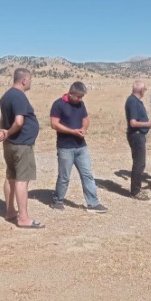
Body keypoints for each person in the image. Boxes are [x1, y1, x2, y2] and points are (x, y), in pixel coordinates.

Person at [0, 68, 45, 229]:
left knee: (11, 177)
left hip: (10, 144)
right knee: (22, 180)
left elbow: (4, 118)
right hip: (21, 145)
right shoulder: (19, 96)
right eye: (30, 79)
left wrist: (3, 133)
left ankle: (10, 211)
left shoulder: (6, 96)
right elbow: (19, 121)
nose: (30, 82)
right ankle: (23, 218)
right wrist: (8, 132)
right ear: (24, 80)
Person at [49, 81, 108, 213]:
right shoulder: (58, 104)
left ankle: (93, 204)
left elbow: (86, 119)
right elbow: (54, 124)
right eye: (78, 97)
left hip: (81, 146)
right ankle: (58, 200)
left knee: (87, 175)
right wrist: (72, 131)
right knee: (64, 177)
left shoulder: (81, 104)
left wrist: (83, 128)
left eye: (82, 97)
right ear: (70, 93)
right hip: (65, 147)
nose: (80, 99)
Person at [125, 81, 151, 201]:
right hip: (136, 135)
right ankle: (135, 191)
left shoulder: (135, 101)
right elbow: (133, 122)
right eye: (144, 90)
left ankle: (136, 188)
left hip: (139, 135)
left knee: (140, 163)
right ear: (141, 90)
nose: (145, 92)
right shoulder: (132, 102)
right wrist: (148, 123)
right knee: (139, 163)